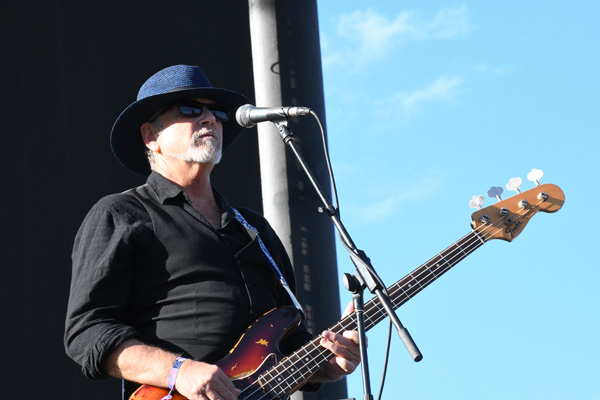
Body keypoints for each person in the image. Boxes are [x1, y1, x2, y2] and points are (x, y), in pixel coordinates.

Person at [64, 64, 360, 400]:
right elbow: (88, 332)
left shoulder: (255, 229)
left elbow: (287, 345)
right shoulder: (122, 213)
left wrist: (328, 362)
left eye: (216, 113)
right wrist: (178, 370)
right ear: (151, 136)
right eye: (191, 109)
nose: (210, 119)